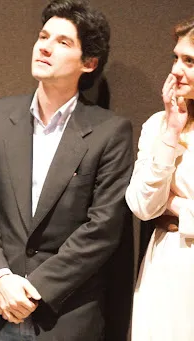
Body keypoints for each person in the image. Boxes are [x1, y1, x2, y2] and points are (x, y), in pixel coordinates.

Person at [0, 1, 134, 340]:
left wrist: (33, 289)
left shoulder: (110, 132)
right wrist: (1, 278)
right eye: (43, 36)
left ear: (89, 63)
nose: (44, 46)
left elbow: (101, 229)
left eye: (62, 42)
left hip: (65, 317)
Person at [126, 17, 194, 341]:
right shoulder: (158, 124)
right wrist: (171, 132)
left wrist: (177, 206)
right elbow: (141, 205)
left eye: (190, 61)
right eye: (176, 57)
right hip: (164, 268)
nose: (177, 70)